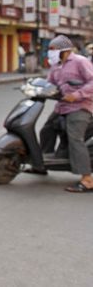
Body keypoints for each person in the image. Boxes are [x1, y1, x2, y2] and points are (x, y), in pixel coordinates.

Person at [32, 35, 93, 192]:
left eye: (53, 50)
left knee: (75, 139)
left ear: (64, 51)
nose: (50, 53)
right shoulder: (57, 66)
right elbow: (49, 83)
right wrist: (34, 86)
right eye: (50, 50)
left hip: (80, 107)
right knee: (46, 130)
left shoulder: (80, 62)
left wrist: (77, 95)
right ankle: (41, 164)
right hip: (62, 107)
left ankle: (87, 179)